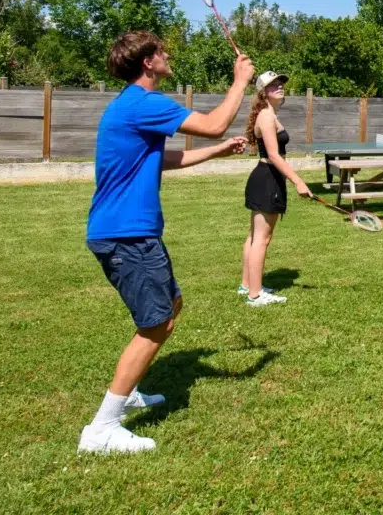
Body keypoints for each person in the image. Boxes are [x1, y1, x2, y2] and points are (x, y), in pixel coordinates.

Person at [79, 31, 254, 455]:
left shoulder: (129, 107)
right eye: (160, 51)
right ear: (147, 63)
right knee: (156, 325)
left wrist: (217, 153)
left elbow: (165, 159)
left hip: (129, 232)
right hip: (127, 235)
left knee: (170, 305)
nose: (167, 54)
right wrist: (240, 81)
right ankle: (101, 428)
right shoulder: (144, 103)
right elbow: (213, 125)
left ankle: (132, 388)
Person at [240, 71, 313, 305]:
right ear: (263, 91)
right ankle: (255, 294)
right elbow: (273, 155)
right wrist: (298, 181)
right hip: (267, 178)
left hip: (266, 178)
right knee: (262, 238)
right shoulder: (266, 116)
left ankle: (247, 285)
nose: (279, 86)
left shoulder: (270, 114)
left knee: (254, 237)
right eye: (273, 85)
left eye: (280, 83)